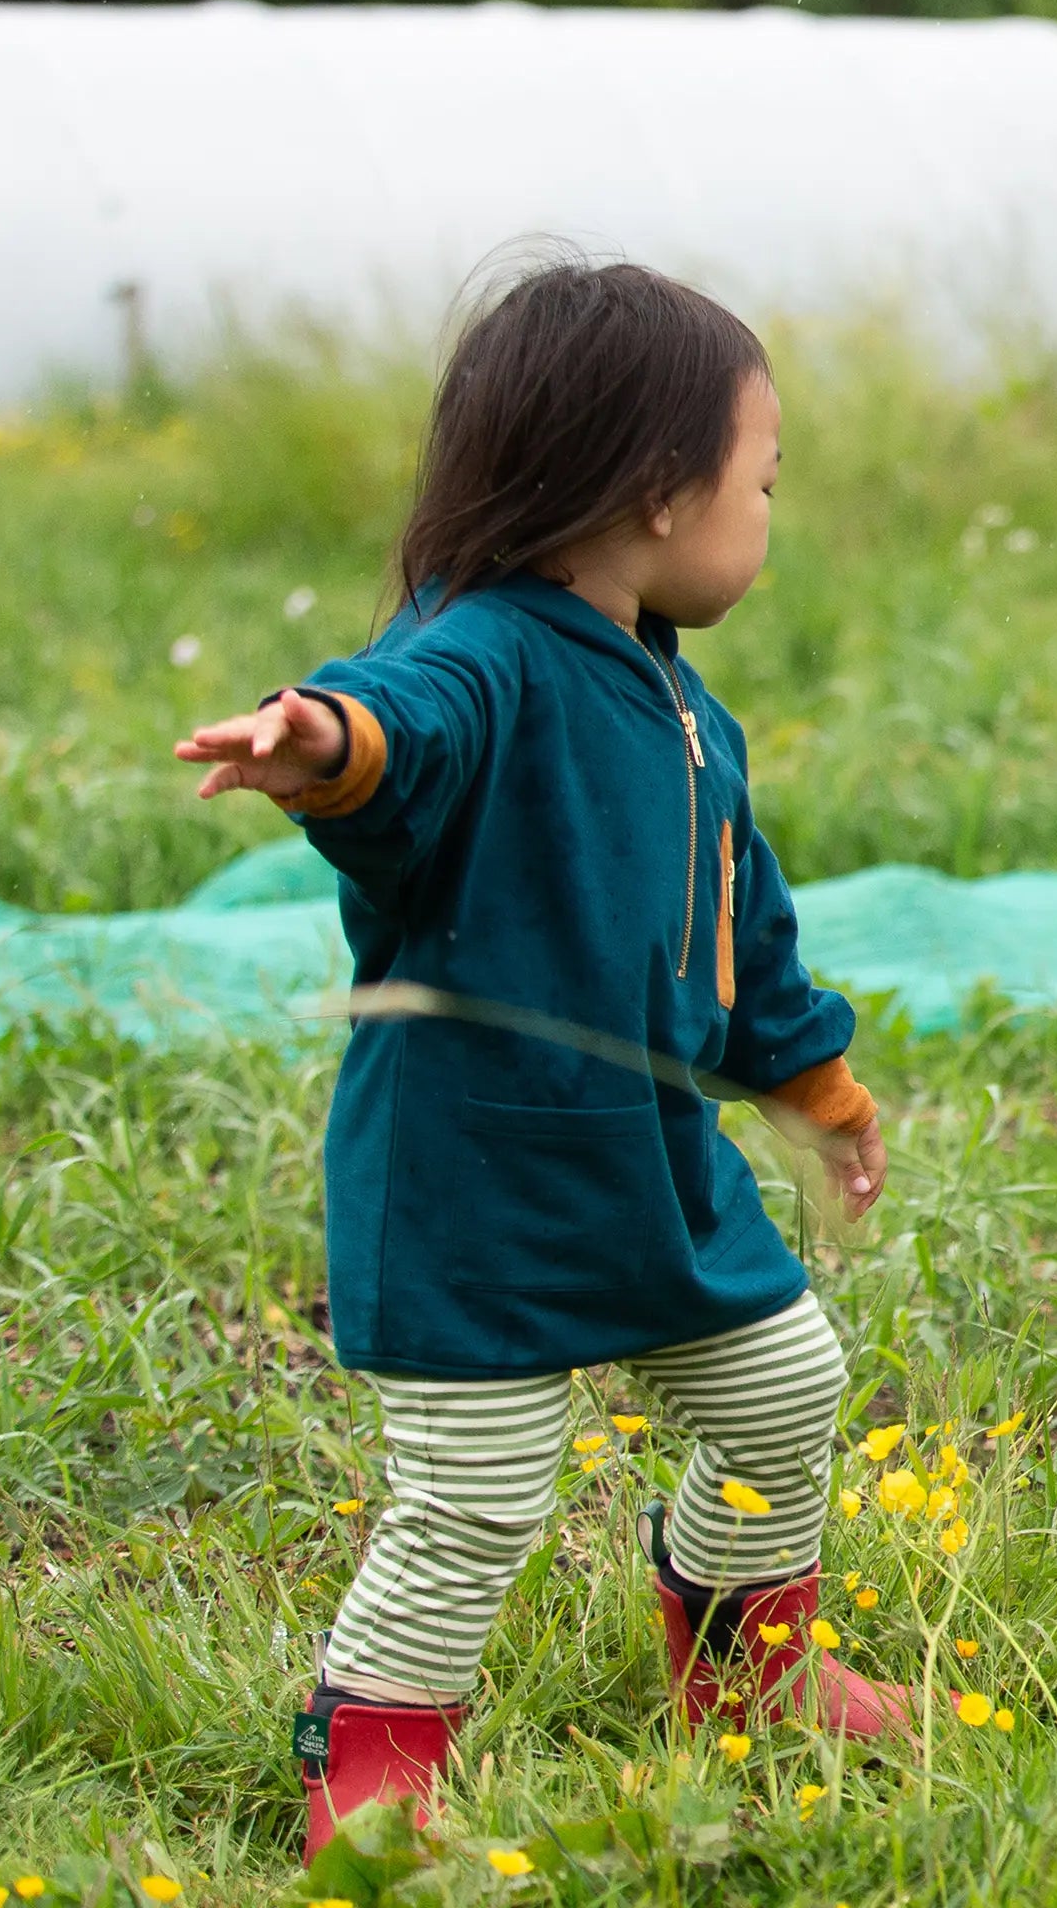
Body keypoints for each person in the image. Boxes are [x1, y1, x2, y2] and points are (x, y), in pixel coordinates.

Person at [174, 258, 908, 1863]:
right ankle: (367, 1765)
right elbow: (395, 725)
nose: (771, 514)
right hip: (476, 1186)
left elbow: (746, 935)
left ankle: (744, 1664)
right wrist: (320, 745)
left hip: (649, 1172)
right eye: (762, 481)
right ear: (658, 492)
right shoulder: (482, 654)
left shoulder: (676, 700)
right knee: (479, 1502)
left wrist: (821, 1092)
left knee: (787, 1388)